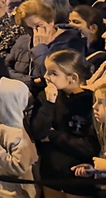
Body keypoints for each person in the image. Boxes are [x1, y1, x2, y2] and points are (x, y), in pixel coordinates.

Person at [30, 50, 97, 197]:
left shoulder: (91, 102)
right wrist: (49, 103)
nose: (46, 77)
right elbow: (38, 133)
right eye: (46, 71)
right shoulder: (45, 96)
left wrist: (54, 135)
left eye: (53, 73)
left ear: (72, 77)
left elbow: (88, 146)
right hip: (51, 173)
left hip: (78, 176)